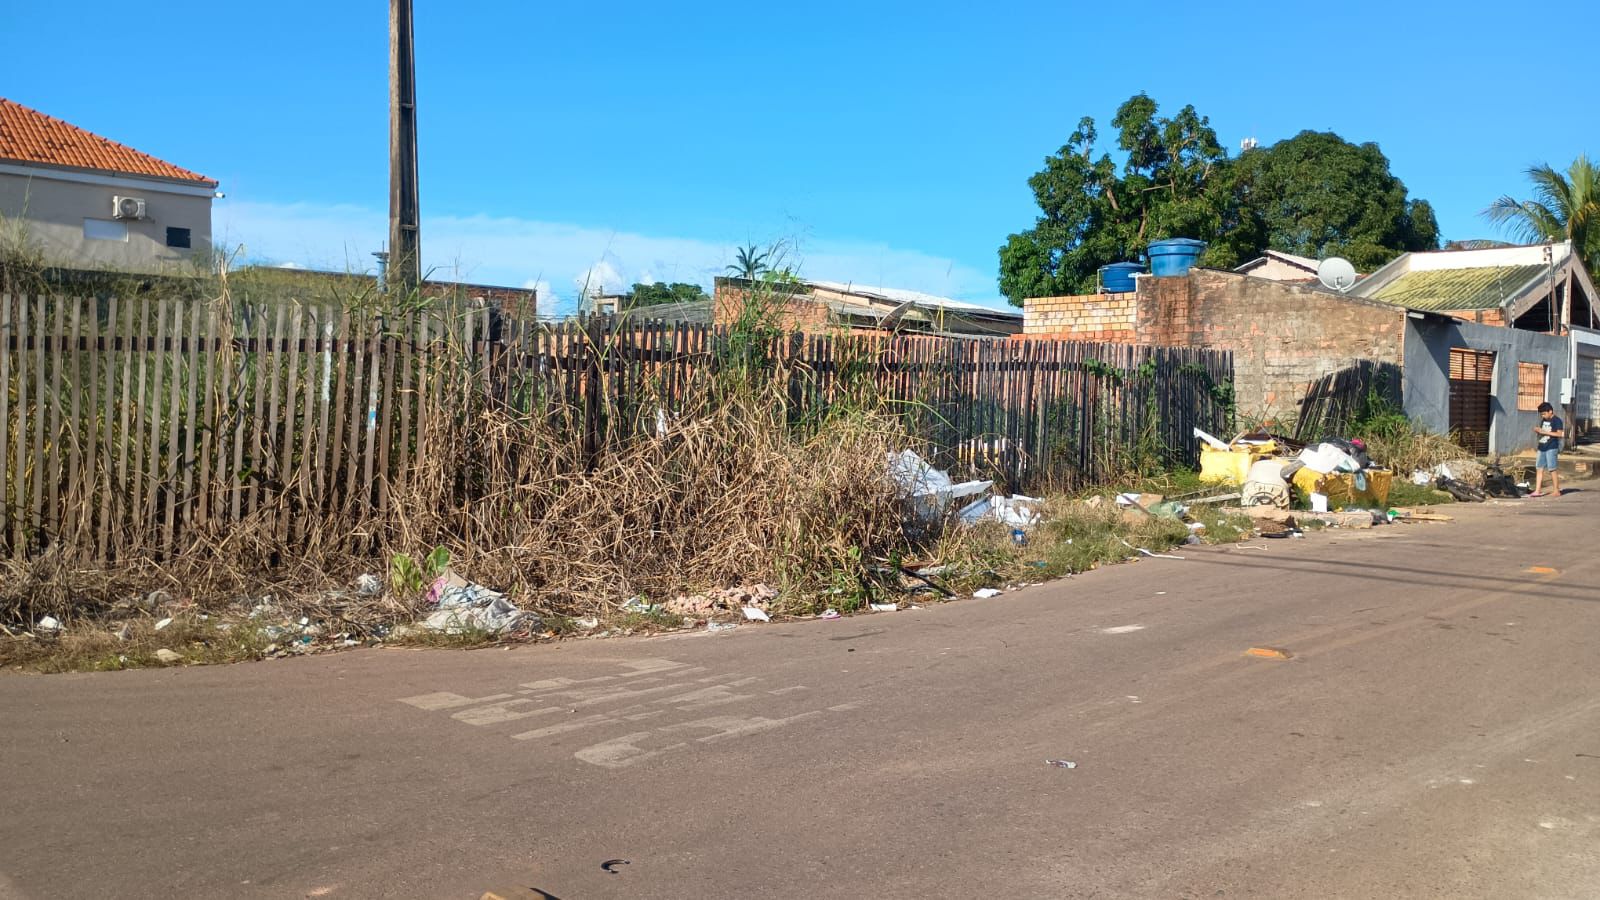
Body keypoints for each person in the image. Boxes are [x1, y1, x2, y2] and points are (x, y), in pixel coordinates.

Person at [1530, 401, 1565, 498]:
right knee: (1539, 468)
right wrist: (1538, 431)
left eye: (1544, 414)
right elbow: (1542, 432)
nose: (1543, 416)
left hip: (1552, 447)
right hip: (1542, 446)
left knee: (1552, 469)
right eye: (1541, 414)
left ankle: (1556, 490)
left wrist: (1544, 432)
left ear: (1550, 411)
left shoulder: (1557, 421)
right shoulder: (1544, 420)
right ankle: (1537, 491)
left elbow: (1559, 434)